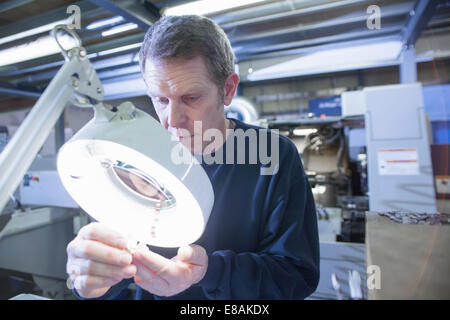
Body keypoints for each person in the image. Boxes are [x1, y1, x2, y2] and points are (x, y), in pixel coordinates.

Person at [66, 15, 320, 300]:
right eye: (161, 100)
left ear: (228, 90)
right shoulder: (131, 159)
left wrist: (209, 271)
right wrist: (91, 281)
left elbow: (295, 277)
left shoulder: (270, 156)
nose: (172, 121)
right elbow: (112, 278)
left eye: (190, 98)